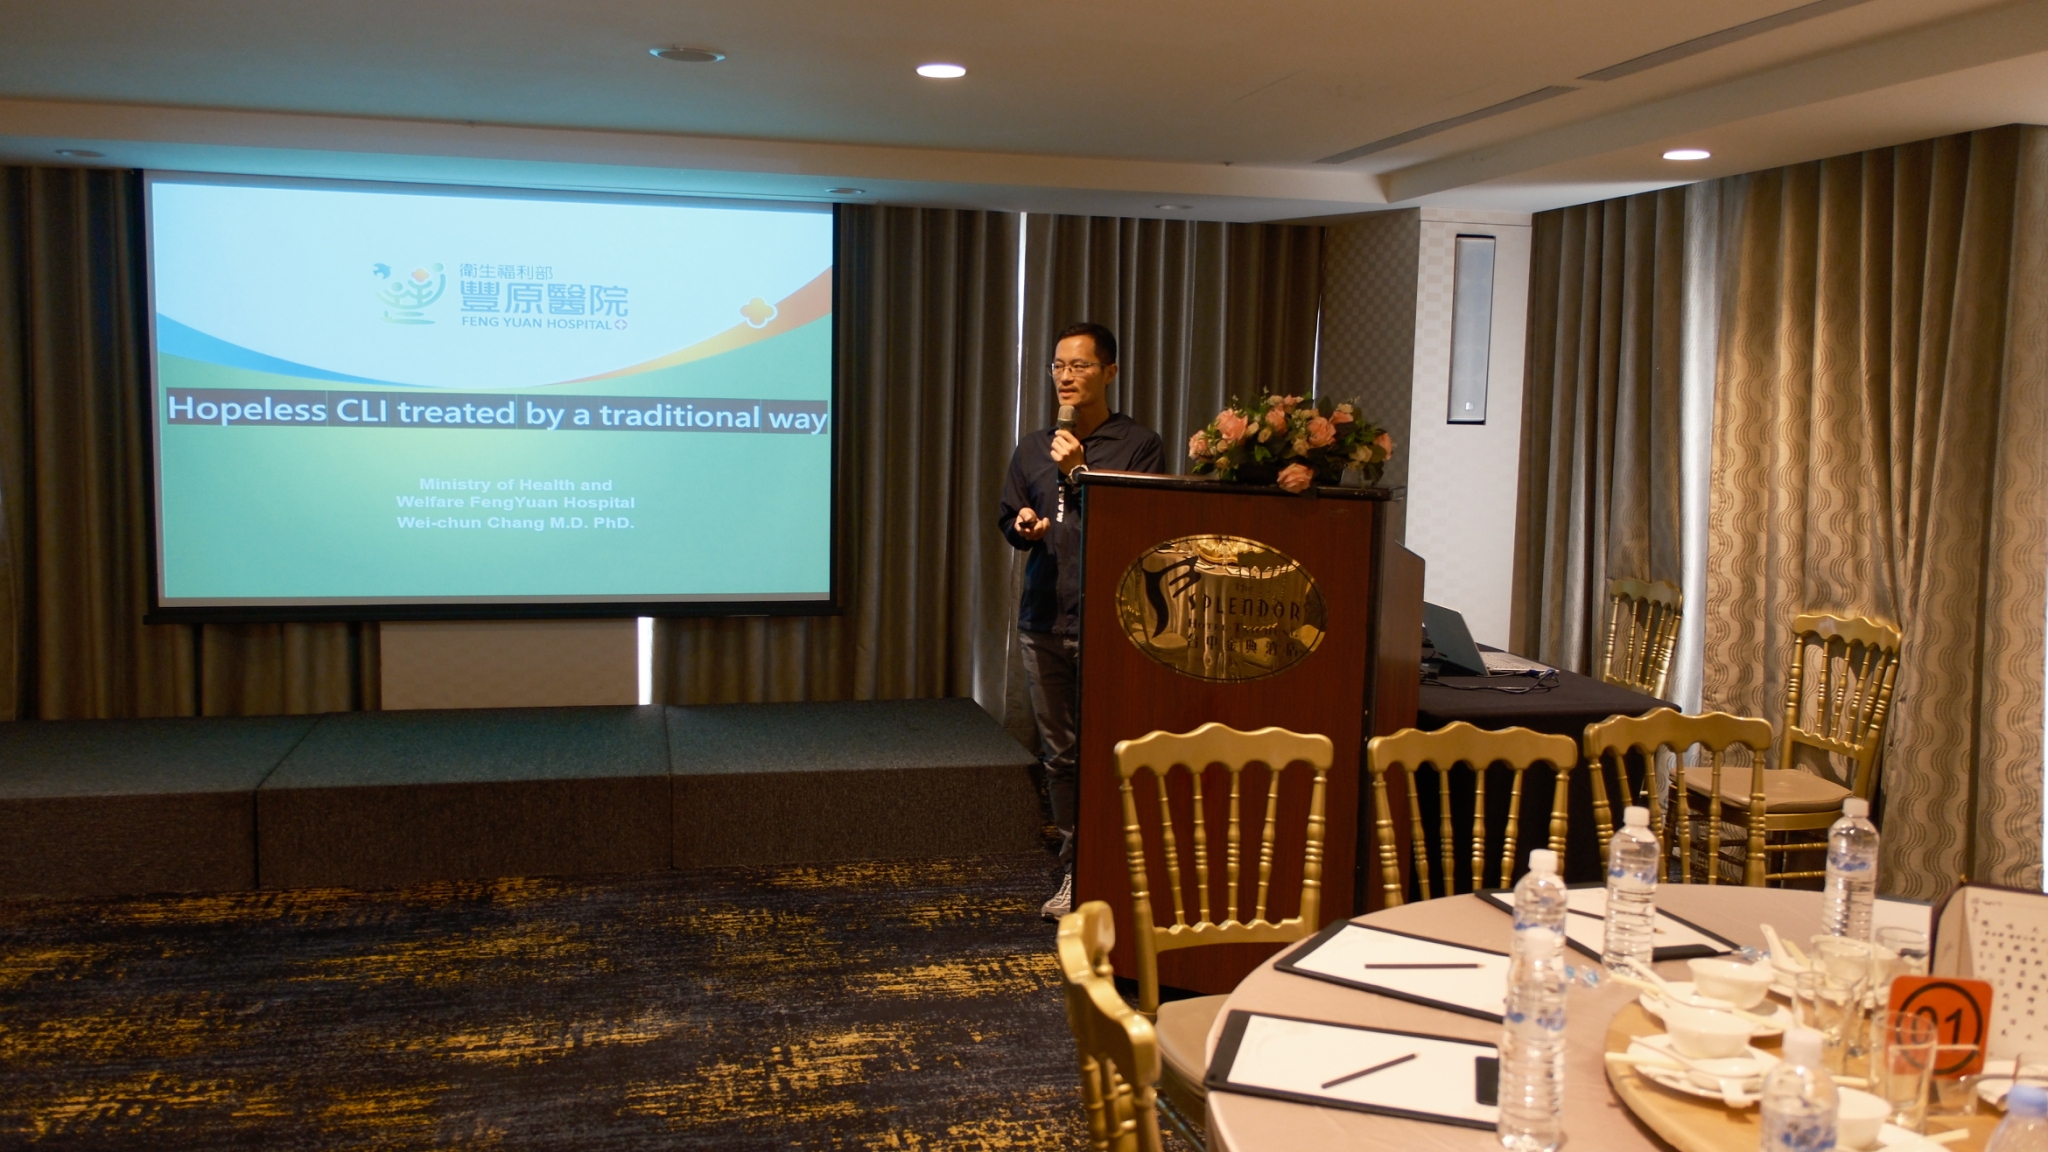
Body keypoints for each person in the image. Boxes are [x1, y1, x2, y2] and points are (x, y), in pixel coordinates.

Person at [997, 323, 1165, 920]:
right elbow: (1009, 517)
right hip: (1044, 618)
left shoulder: (1139, 445)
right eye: (1058, 366)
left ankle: (1119, 867)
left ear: (1110, 373)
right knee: (1062, 757)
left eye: (1080, 366)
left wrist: (1078, 473)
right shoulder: (1033, 446)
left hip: (1112, 622)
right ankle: (1076, 869)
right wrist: (1022, 525)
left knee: (1114, 750)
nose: (1066, 377)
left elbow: (1140, 527)